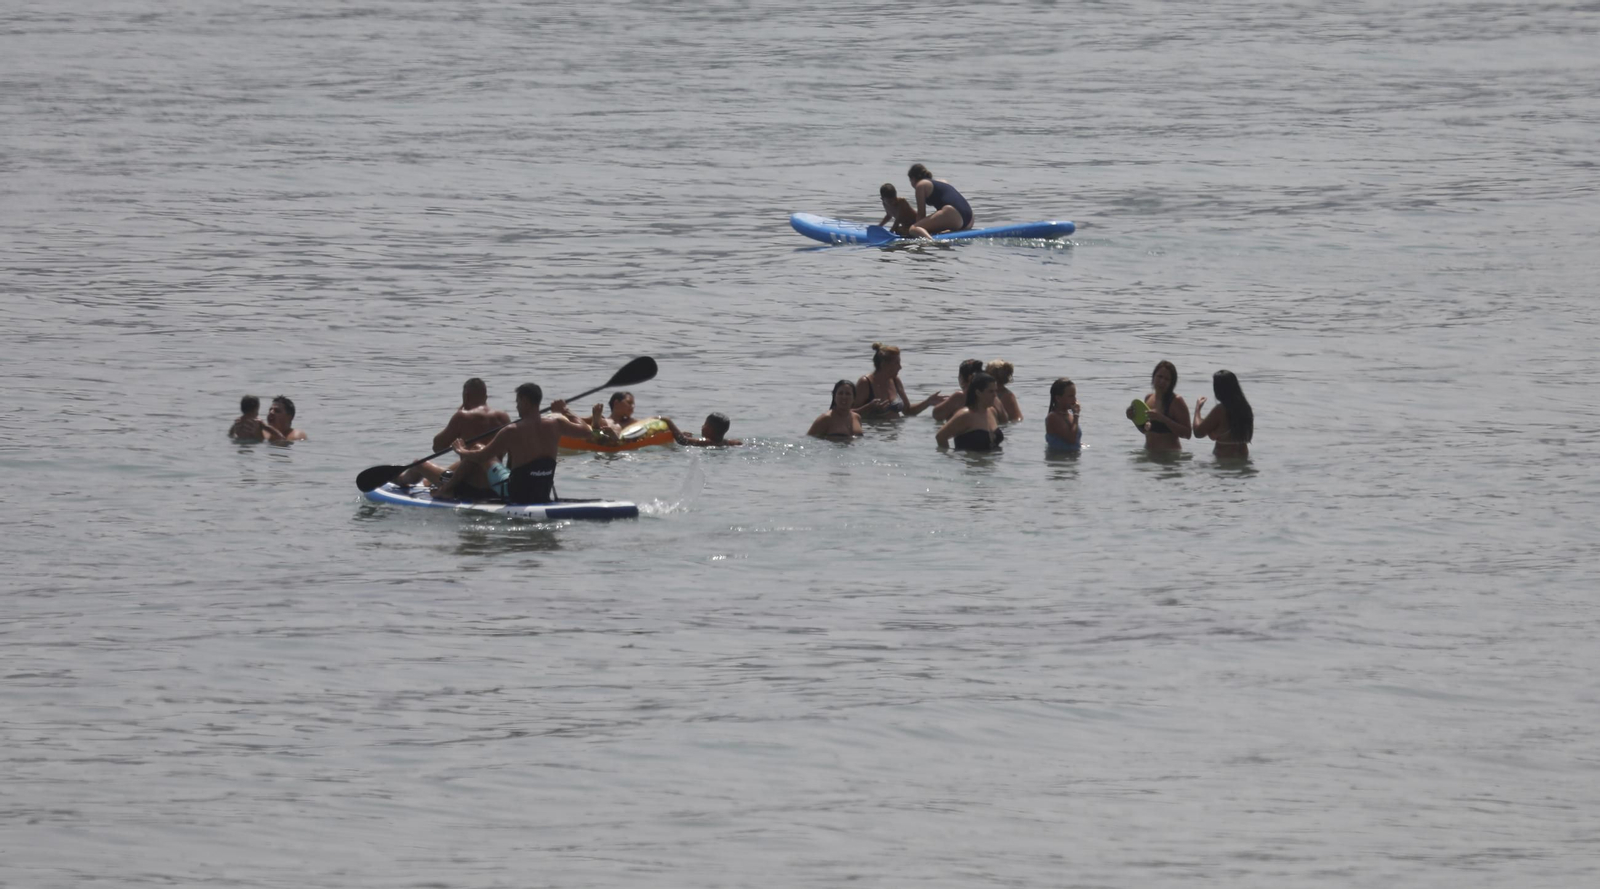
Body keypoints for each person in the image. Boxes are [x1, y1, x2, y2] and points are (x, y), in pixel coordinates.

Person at [449, 383, 595, 504]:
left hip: (516, 494)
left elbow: (482, 457)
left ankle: (447, 491)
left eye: (518, 402)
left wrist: (461, 450)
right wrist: (566, 411)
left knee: (477, 449)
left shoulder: (511, 431)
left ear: (525, 401)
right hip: (542, 492)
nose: (517, 406)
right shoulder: (556, 424)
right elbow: (587, 432)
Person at [400, 378, 512, 488]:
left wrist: (458, 416)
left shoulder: (463, 416)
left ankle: (400, 480)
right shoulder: (504, 418)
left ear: (466, 396)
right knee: (468, 460)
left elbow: (437, 447)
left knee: (419, 464)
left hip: (467, 485)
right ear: (486, 397)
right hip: (495, 482)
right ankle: (430, 482)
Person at [853, 342, 942, 418]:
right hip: (873, 433)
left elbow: (908, 411)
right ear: (884, 364)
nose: (900, 367)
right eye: (896, 363)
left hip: (896, 433)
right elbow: (848, 414)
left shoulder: (895, 381)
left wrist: (928, 402)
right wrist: (868, 408)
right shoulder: (865, 383)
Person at [1126, 360, 1189, 451]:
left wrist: (1162, 418)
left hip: (1169, 458)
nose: (1162, 381)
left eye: (1167, 379)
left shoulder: (1176, 401)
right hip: (1149, 455)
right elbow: (1146, 431)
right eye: (1159, 376)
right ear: (1153, 377)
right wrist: (1133, 418)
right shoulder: (1148, 398)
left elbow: (1187, 434)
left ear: (1172, 383)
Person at [936, 372, 1005, 451]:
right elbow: (940, 437)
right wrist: (951, 458)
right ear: (978, 393)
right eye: (991, 391)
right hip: (971, 461)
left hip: (992, 461)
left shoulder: (992, 411)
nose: (995, 395)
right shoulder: (966, 415)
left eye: (996, 391)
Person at [1193, 369, 1254, 458]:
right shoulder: (1246, 408)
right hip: (1244, 458)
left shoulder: (1220, 410)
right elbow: (1248, 436)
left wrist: (1197, 409)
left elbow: (1198, 433)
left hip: (1224, 461)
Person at [933, 359, 1009, 423]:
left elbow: (937, 415)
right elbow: (1005, 422)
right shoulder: (994, 398)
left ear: (962, 378)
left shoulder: (960, 396)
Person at [907, 163, 974, 236]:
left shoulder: (921, 185)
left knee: (914, 228)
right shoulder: (942, 182)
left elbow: (921, 214)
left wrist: (917, 229)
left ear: (913, 179)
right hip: (969, 219)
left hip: (953, 215)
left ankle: (930, 241)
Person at [1045, 378, 1081, 452]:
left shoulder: (1069, 415)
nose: (1074, 399)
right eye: (1070, 396)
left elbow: (1076, 442)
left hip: (1072, 459)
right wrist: (1076, 415)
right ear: (1058, 398)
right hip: (1058, 460)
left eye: (1074, 396)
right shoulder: (1053, 417)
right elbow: (1072, 439)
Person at [665, 413, 742, 447]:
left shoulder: (707, 442)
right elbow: (739, 443)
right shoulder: (727, 443)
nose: (702, 426)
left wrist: (668, 421)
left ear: (710, 430)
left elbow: (682, 441)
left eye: (705, 424)